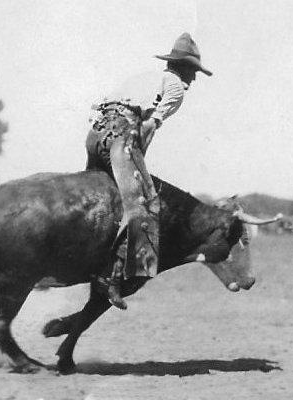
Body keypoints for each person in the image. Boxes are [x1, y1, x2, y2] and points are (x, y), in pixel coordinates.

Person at [85, 32, 212, 309]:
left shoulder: (144, 77)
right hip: (121, 137)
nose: (194, 79)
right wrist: (137, 161)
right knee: (148, 203)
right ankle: (116, 279)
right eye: (194, 72)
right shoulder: (175, 87)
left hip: (95, 136)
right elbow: (149, 126)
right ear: (186, 68)